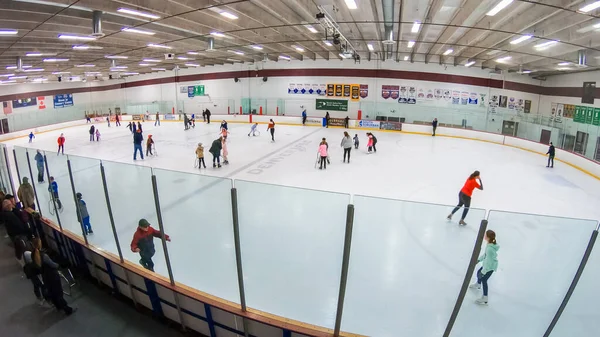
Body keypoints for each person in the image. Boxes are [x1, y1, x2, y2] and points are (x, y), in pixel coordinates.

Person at [33, 238, 75, 315]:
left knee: (52, 292)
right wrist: (59, 265)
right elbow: (53, 265)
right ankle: (67, 309)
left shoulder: (34, 255)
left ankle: (58, 306)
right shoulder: (44, 256)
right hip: (52, 275)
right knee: (58, 292)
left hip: (45, 277)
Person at [470, 230, 499, 305]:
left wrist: (483, 272)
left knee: (484, 280)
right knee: (478, 273)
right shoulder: (489, 244)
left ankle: (485, 297)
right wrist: (479, 260)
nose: (484, 236)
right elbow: (485, 255)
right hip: (487, 264)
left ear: (488, 237)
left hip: (490, 267)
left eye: (485, 235)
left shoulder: (489, 249)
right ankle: (478, 284)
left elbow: (489, 263)